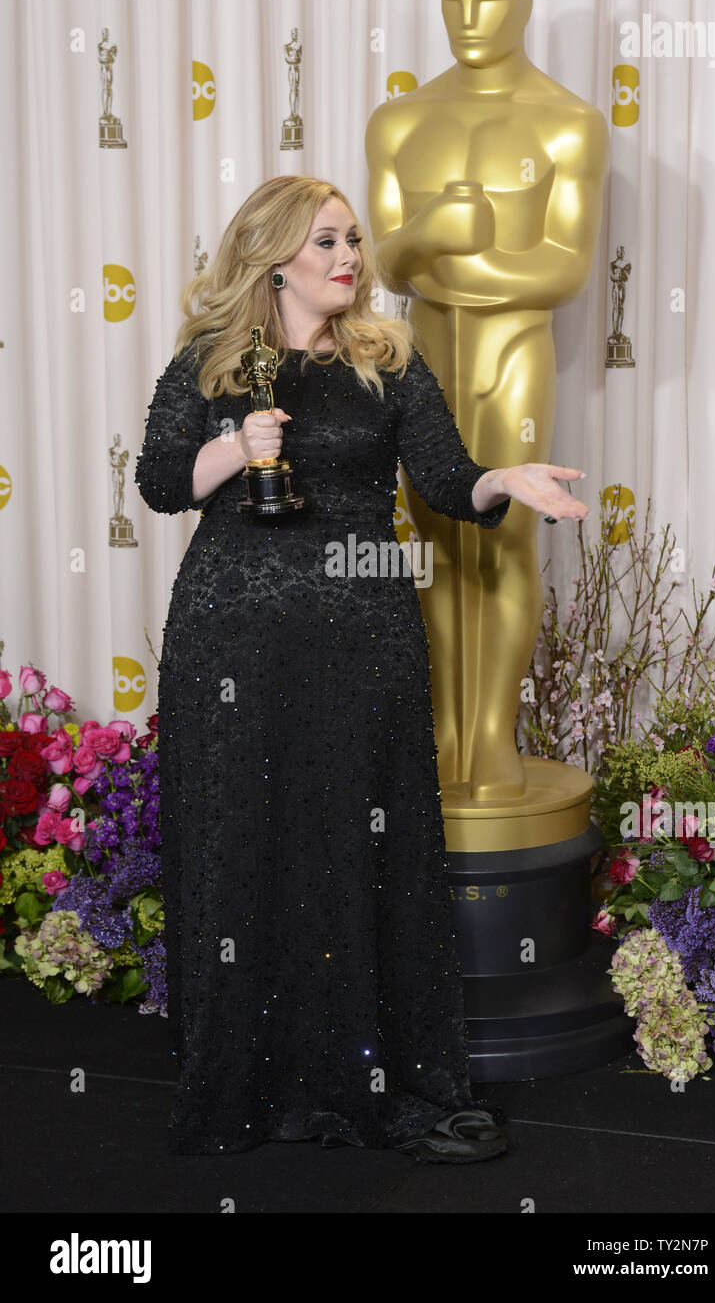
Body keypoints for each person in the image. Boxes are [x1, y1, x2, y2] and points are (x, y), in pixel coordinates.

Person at [135, 175, 588, 1167]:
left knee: (359, 845)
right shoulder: (208, 364)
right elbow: (162, 479)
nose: (348, 256)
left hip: (362, 630)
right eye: (325, 241)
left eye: (351, 239)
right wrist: (228, 447)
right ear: (273, 256)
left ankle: (376, 1077)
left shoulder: (388, 359)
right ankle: (246, 1084)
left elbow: (441, 480)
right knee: (244, 845)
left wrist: (503, 479)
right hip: (233, 642)